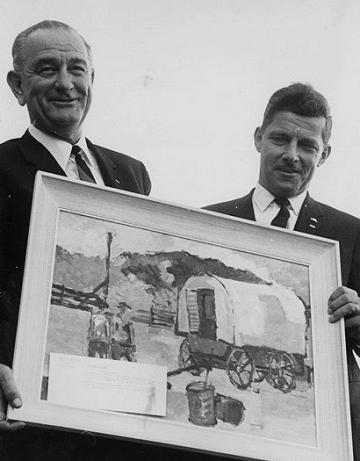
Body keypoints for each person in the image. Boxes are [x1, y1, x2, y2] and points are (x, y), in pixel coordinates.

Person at [0, 19, 155, 461]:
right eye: (47, 69)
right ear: (17, 85)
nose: (66, 84)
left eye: (77, 69)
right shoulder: (1, 167)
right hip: (29, 410)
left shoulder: (132, 173)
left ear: (92, 79)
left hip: (120, 411)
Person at [204, 83, 360, 460]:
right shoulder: (209, 223)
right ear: (259, 138)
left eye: (308, 146)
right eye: (280, 139)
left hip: (326, 429)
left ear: (324, 155)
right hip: (228, 437)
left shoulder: (351, 233)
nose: (292, 155)